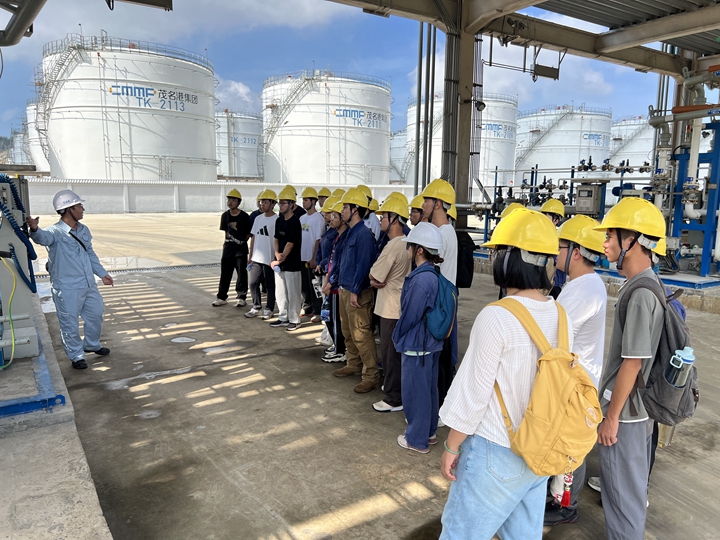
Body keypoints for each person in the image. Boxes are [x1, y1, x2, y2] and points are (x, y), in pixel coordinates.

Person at [439, 208, 568, 539]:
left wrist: (452, 446)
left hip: (496, 448)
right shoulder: (559, 313)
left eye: (498, 252)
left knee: (460, 534)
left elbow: (474, 393)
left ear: (510, 259)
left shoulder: (496, 316)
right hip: (539, 450)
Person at [592, 197, 667, 540]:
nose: (605, 242)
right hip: (635, 412)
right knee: (628, 495)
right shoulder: (646, 284)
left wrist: (612, 418)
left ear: (632, 240)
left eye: (611, 235)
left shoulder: (640, 294)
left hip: (627, 415)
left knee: (623, 501)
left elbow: (633, 363)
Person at [544, 215, 608, 527]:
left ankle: (566, 506)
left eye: (560, 246)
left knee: (570, 445)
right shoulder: (583, 284)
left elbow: (554, 335)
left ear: (577, 252)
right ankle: (559, 496)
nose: (555, 252)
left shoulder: (584, 291)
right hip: (574, 377)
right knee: (565, 441)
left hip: (575, 382)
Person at [26, 190, 114, 370]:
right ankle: (76, 355)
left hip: (88, 284)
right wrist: (34, 229)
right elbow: (42, 238)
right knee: (69, 322)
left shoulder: (84, 230)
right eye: (79, 206)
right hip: (67, 288)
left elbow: (90, 253)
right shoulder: (55, 232)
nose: (83, 209)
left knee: (96, 315)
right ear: (68, 209)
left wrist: (102, 274)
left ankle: (91, 344)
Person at [392, 222, 445, 453]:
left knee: (415, 393)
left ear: (419, 250)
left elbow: (410, 315)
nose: (408, 249)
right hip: (430, 344)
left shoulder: (421, 279)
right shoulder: (433, 273)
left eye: (410, 245)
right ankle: (429, 432)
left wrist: (396, 334)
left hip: (417, 344)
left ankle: (416, 439)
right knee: (429, 390)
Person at [332, 188, 379, 393]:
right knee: (348, 331)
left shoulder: (364, 235)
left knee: (361, 334)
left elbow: (364, 265)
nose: (342, 211)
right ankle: (353, 363)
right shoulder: (351, 232)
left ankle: (371, 375)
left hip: (357, 292)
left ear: (355, 209)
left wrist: (355, 290)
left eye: (345, 207)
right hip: (345, 289)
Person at [370, 198, 412, 413]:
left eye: (383, 217)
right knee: (396, 354)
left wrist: (372, 280)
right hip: (400, 305)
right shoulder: (408, 242)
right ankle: (396, 390)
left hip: (390, 307)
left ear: (394, 219)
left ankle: (394, 398)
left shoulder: (393, 245)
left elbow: (375, 274)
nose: (380, 221)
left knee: (390, 354)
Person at [421, 178, 459, 409]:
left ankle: (441, 407)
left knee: (441, 357)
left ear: (437, 204)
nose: (423, 205)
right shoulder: (445, 231)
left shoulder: (442, 235)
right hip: (444, 299)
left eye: (426, 200)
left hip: (441, 301)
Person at [270, 186, 303, 332]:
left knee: (293, 293)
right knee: (281, 292)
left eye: (284, 203)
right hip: (280, 262)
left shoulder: (295, 222)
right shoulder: (279, 220)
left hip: (292, 264)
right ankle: (283, 317)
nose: (281, 205)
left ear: (292, 204)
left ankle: (294, 320)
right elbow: (276, 238)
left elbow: (290, 244)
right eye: (280, 203)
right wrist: (277, 253)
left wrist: (280, 258)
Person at [212, 189, 251, 307]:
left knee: (241, 274)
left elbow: (247, 234)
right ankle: (221, 297)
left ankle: (241, 297)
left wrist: (240, 242)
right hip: (228, 249)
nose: (230, 202)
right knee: (225, 273)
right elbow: (226, 233)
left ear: (238, 202)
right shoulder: (225, 216)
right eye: (229, 199)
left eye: (233, 200)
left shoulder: (244, 216)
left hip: (240, 250)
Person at [321, 200, 348, 363]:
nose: (331, 219)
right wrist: (326, 280)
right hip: (330, 283)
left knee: (336, 320)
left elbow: (340, 266)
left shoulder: (345, 238)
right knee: (330, 318)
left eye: (335, 216)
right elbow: (332, 262)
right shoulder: (337, 236)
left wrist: (330, 283)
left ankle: (340, 350)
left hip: (336, 287)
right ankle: (337, 346)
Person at [246, 189, 277, 320]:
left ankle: (269, 308)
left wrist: (276, 257)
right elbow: (253, 237)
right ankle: (256, 306)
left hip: (269, 258)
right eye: (261, 202)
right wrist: (250, 256)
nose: (262, 204)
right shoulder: (258, 218)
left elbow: (277, 240)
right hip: (256, 258)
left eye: (265, 202)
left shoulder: (277, 220)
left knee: (270, 285)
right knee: (253, 283)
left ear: (273, 204)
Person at [299, 187, 325, 321]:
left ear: (313, 202)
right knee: (305, 286)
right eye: (303, 200)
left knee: (315, 286)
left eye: (306, 200)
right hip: (302, 257)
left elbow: (318, 240)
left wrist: (314, 258)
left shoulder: (318, 219)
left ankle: (318, 311)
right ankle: (307, 307)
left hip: (312, 259)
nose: (304, 202)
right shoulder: (302, 218)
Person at [540, 198, 566, 298]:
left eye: (546, 216)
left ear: (556, 220)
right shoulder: (540, 236)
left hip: (555, 285)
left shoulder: (559, 239)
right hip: (541, 283)